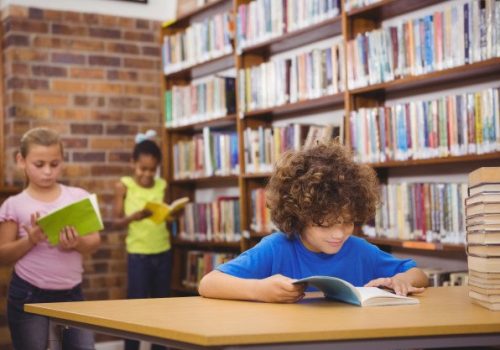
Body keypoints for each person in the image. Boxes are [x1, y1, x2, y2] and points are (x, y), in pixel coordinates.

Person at [198, 141, 428, 303]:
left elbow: (418, 273)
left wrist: (401, 280)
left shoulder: (358, 249)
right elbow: (208, 283)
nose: (339, 234)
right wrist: (259, 290)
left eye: (347, 222)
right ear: (299, 216)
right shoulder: (276, 247)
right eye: (324, 224)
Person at [0, 127, 101, 349]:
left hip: (72, 293)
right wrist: (30, 240)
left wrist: (77, 243)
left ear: (62, 161)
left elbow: (94, 241)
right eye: (39, 164)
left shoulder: (77, 197)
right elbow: (3, 255)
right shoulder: (14, 205)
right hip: (28, 293)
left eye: (54, 164)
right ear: (21, 161)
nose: (48, 171)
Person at [112, 132, 172, 350]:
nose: (147, 174)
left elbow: (164, 212)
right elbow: (116, 222)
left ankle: (159, 346)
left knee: (161, 308)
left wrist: (172, 214)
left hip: (163, 251)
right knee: (135, 307)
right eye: (142, 168)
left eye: (152, 170)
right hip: (138, 255)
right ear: (133, 163)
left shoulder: (161, 185)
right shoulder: (124, 186)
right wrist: (134, 216)